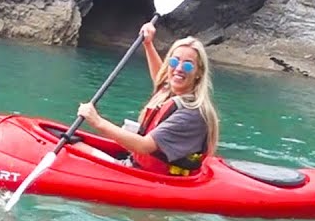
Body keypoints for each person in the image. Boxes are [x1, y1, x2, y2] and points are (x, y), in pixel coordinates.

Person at [75, 21, 220, 175]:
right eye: (174, 61)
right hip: (137, 164)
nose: (178, 68)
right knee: (69, 140)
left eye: (188, 65)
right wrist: (148, 44)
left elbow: (144, 146)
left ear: (199, 72)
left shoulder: (190, 114)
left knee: (73, 147)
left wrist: (97, 122)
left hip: (147, 175)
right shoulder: (175, 91)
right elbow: (161, 79)